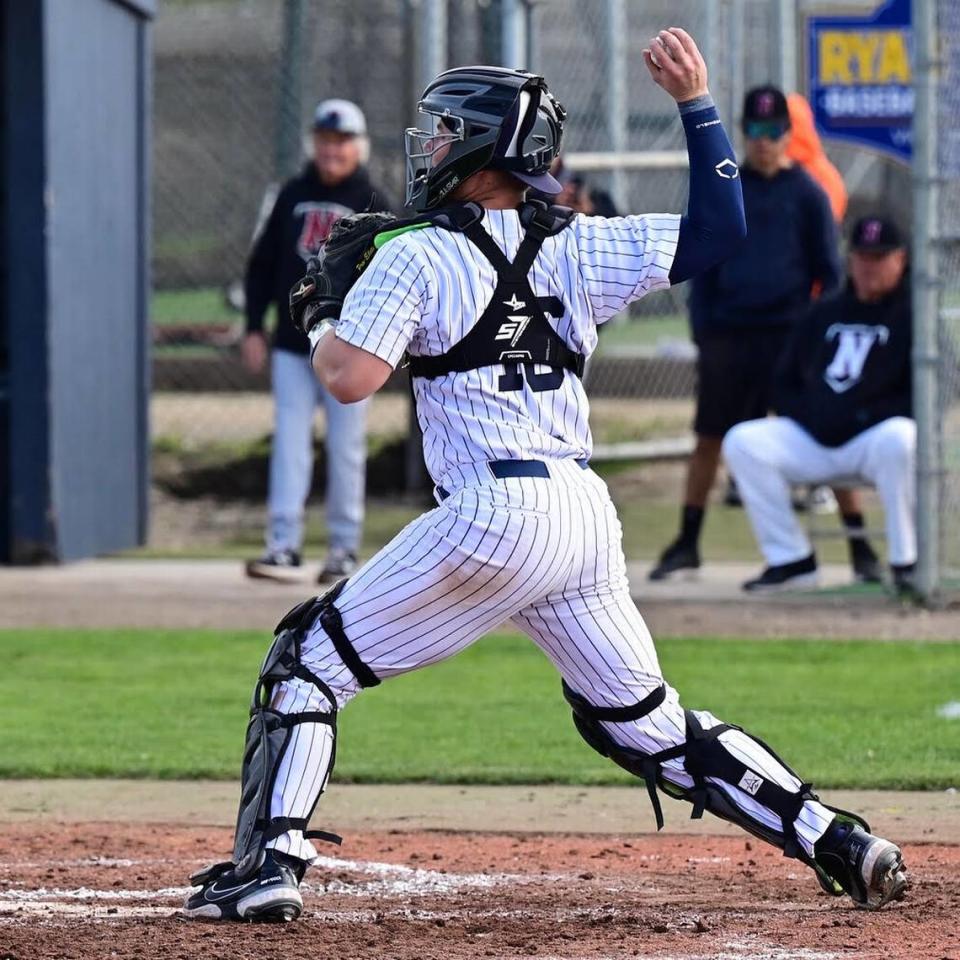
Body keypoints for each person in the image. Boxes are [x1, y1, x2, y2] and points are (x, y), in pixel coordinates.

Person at [184, 34, 906, 923]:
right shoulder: (581, 245)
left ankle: (266, 866)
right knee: (643, 722)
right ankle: (839, 839)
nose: (435, 144)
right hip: (579, 516)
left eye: (451, 129)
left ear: (491, 146)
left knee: (304, 661)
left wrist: (331, 307)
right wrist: (696, 104)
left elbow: (346, 380)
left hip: (493, 512)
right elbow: (723, 227)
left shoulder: (414, 252)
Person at [649, 85, 846, 582]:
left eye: (775, 130)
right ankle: (688, 541)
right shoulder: (729, 185)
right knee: (710, 438)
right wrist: (704, 330)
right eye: (756, 131)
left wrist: (816, 335)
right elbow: (706, 262)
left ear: (788, 133)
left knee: (822, 428)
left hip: (789, 336)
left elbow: (831, 271)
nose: (765, 141)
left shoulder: (807, 193)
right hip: (731, 335)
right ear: (744, 132)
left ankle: (858, 541)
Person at [242, 99, 394, 584]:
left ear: (359, 147)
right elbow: (261, 264)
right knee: (290, 443)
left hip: (351, 347)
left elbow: (394, 275)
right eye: (326, 141)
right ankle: (283, 545)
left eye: (342, 142)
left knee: (347, 447)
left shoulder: (373, 198)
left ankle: (343, 550)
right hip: (292, 342)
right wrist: (251, 326)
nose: (332, 151)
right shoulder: (292, 194)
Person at [723, 216, 916, 593]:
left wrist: (862, 417)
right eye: (862, 256)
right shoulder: (825, 311)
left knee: (903, 439)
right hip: (816, 436)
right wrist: (812, 417)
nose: (868, 265)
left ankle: (906, 562)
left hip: (873, 441)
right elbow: (783, 382)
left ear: (901, 260)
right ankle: (791, 560)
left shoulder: (913, 315)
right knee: (744, 442)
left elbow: (924, 396)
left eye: (879, 257)